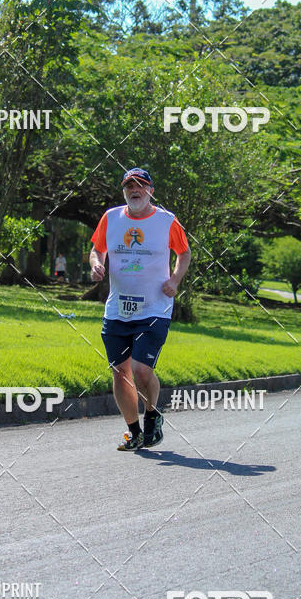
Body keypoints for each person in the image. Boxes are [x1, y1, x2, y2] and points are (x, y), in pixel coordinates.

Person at [89, 167, 191, 451]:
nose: (134, 190)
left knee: (141, 370)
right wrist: (96, 264)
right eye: (129, 186)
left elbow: (184, 253)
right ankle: (134, 432)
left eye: (140, 186)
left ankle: (152, 418)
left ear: (150, 191)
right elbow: (97, 249)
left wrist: (174, 279)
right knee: (120, 373)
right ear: (124, 191)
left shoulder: (166, 221)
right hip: (117, 310)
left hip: (154, 308)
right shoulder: (111, 218)